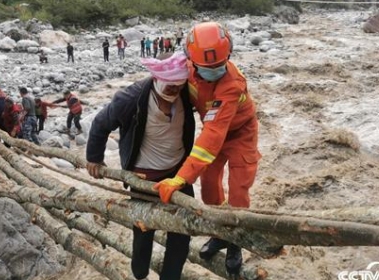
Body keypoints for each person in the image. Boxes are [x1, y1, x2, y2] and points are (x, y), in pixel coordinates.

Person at [154, 22, 262, 276]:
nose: (214, 71)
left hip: (240, 135)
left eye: (218, 66)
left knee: (238, 190)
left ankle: (236, 240)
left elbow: (212, 135)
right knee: (210, 183)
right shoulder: (188, 68)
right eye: (207, 67)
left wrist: (181, 177)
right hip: (215, 129)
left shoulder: (232, 85)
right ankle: (219, 231)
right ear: (192, 60)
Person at [86, 52, 195, 280]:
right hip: (144, 178)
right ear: (156, 79)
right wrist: (94, 158)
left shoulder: (186, 93)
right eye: (170, 87)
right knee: (143, 229)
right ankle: (140, 273)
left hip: (178, 175)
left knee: (182, 233)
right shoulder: (131, 98)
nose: (175, 91)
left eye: (179, 86)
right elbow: (100, 123)